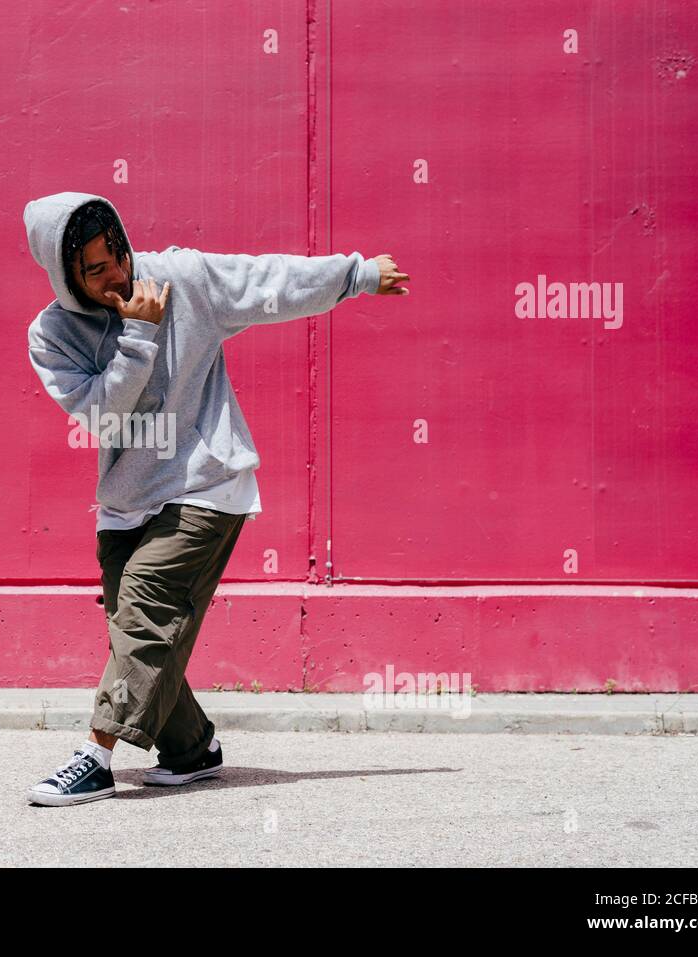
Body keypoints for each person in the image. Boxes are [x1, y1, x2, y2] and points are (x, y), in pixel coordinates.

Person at [22, 192, 409, 806]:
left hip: (206, 480)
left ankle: (95, 755)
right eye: (94, 271)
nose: (117, 276)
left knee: (146, 608)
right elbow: (103, 418)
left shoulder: (182, 280)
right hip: (128, 498)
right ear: (63, 275)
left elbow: (267, 281)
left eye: (116, 255)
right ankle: (192, 748)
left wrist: (355, 275)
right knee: (134, 632)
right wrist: (139, 338)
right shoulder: (52, 335)